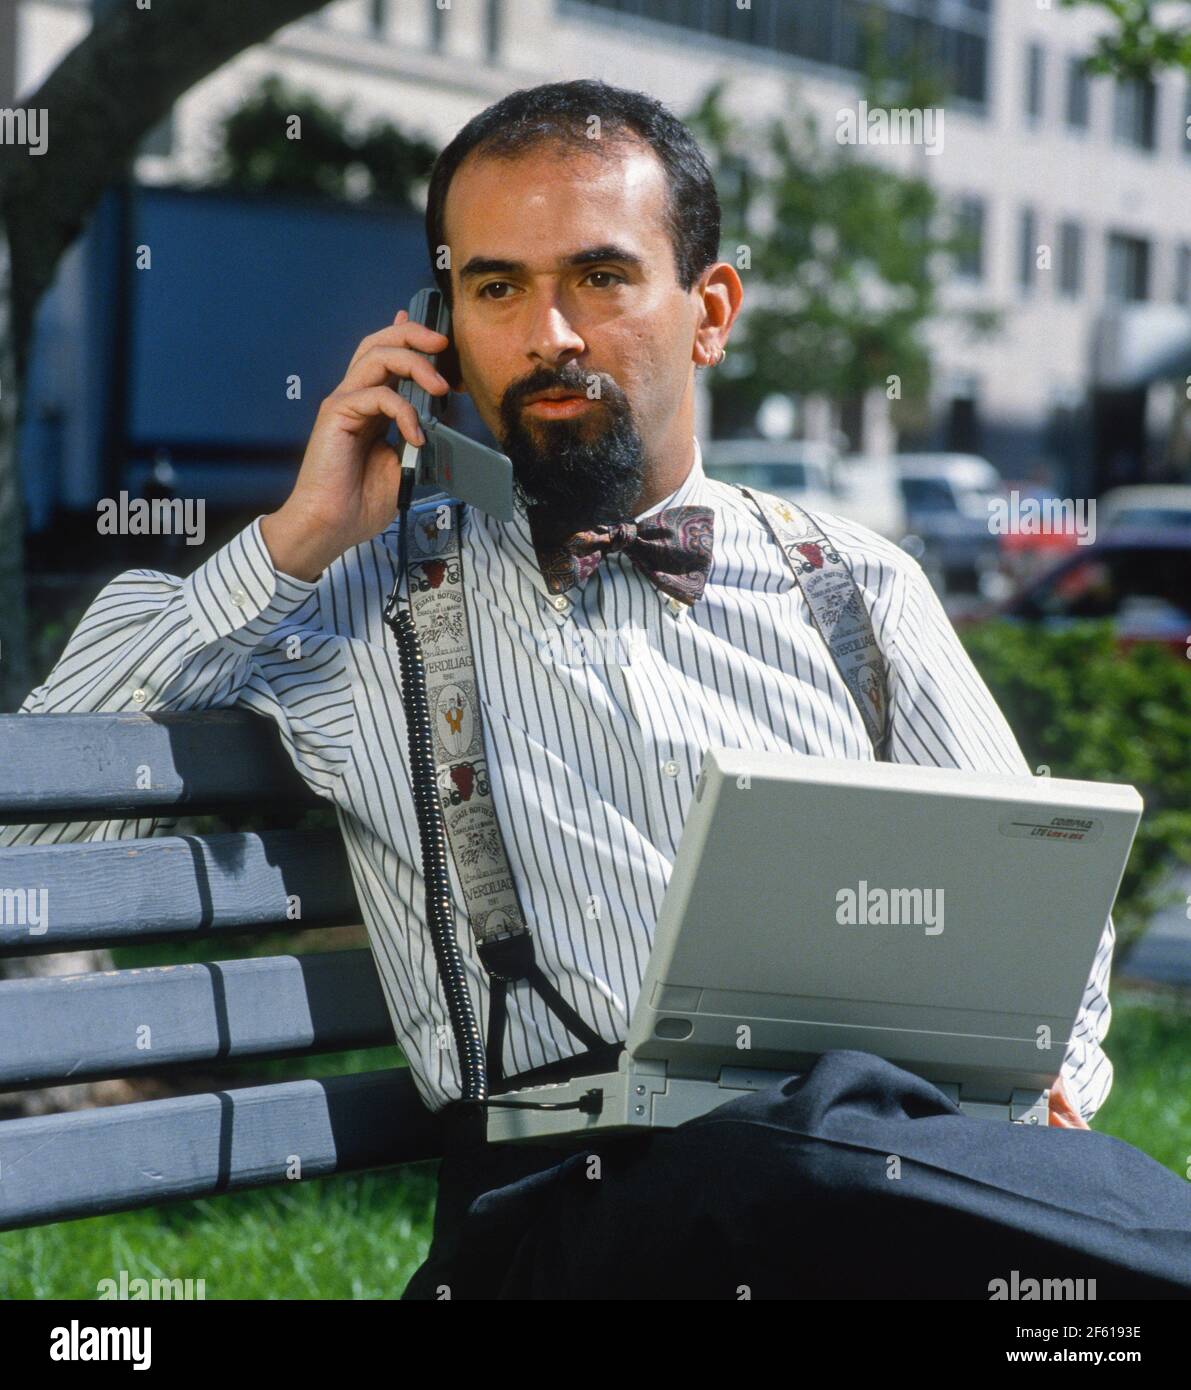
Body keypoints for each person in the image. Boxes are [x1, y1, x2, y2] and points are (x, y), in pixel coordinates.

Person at [6, 79, 1189, 1299]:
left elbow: (1048, 920)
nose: (548, 335)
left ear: (710, 310)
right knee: (815, 1163)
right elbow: (59, 821)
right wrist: (297, 537)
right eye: (497, 287)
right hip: (562, 1223)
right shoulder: (356, 602)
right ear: (440, 327)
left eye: (601, 278)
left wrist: (1049, 1100)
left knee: (884, 1180)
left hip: (869, 1187)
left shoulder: (857, 588)